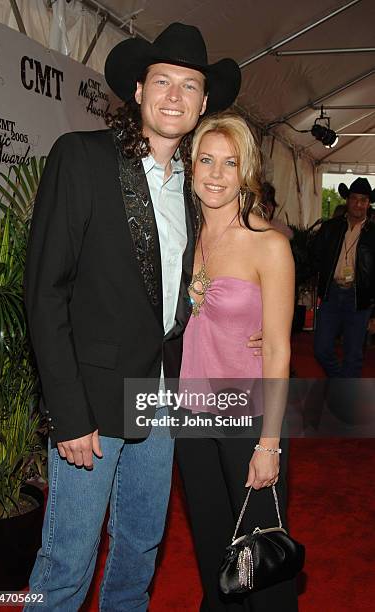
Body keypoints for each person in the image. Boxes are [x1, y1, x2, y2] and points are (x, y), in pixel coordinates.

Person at [23, 22, 264, 612]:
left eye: (189, 85)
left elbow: (220, 271)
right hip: (91, 407)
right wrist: (68, 414)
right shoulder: (81, 157)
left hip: (162, 400)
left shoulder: (198, 188)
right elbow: (44, 293)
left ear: (205, 103)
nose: (175, 96)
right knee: (67, 561)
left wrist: (251, 325)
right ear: (138, 90)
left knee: (139, 550)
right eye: (163, 81)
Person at [175, 113, 297, 611]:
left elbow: (278, 349)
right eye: (207, 159)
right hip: (191, 415)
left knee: (259, 561)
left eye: (231, 163)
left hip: (248, 418)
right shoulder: (186, 238)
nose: (217, 174)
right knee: (212, 551)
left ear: (246, 171)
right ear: (191, 164)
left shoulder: (270, 246)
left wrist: (269, 443)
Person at [312, 177, 375, 377]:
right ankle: (342, 383)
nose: (358, 204)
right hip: (331, 294)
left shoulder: (373, 233)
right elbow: (314, 257)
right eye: (355, 198)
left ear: (369, 203)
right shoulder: (330, 227)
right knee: (321, 349)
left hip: (359, 300)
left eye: (363, 200)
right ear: (347, 200)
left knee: (353, 355)